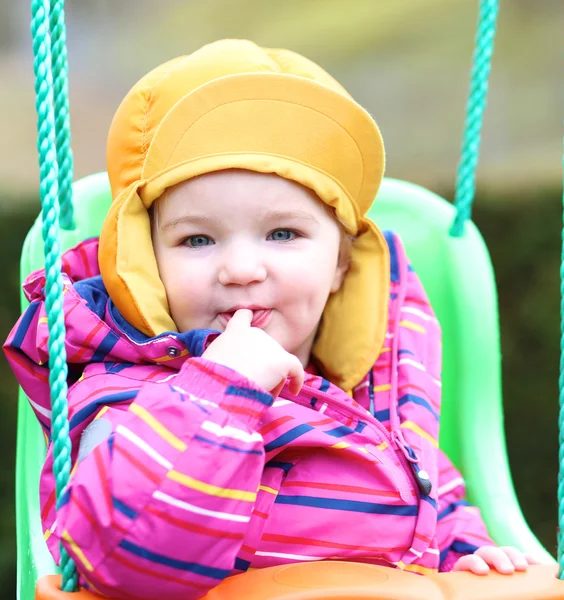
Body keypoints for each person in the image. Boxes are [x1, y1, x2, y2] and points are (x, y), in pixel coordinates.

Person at [4, 39, 534, 599]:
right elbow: (123, 557)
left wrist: (467, 552)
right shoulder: (130, 401)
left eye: (283, 233)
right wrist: (221, 389)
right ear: (146, 264)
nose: (240, 268)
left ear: (340, 265)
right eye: (197, 239)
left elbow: (431, 498)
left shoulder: (376, 399)